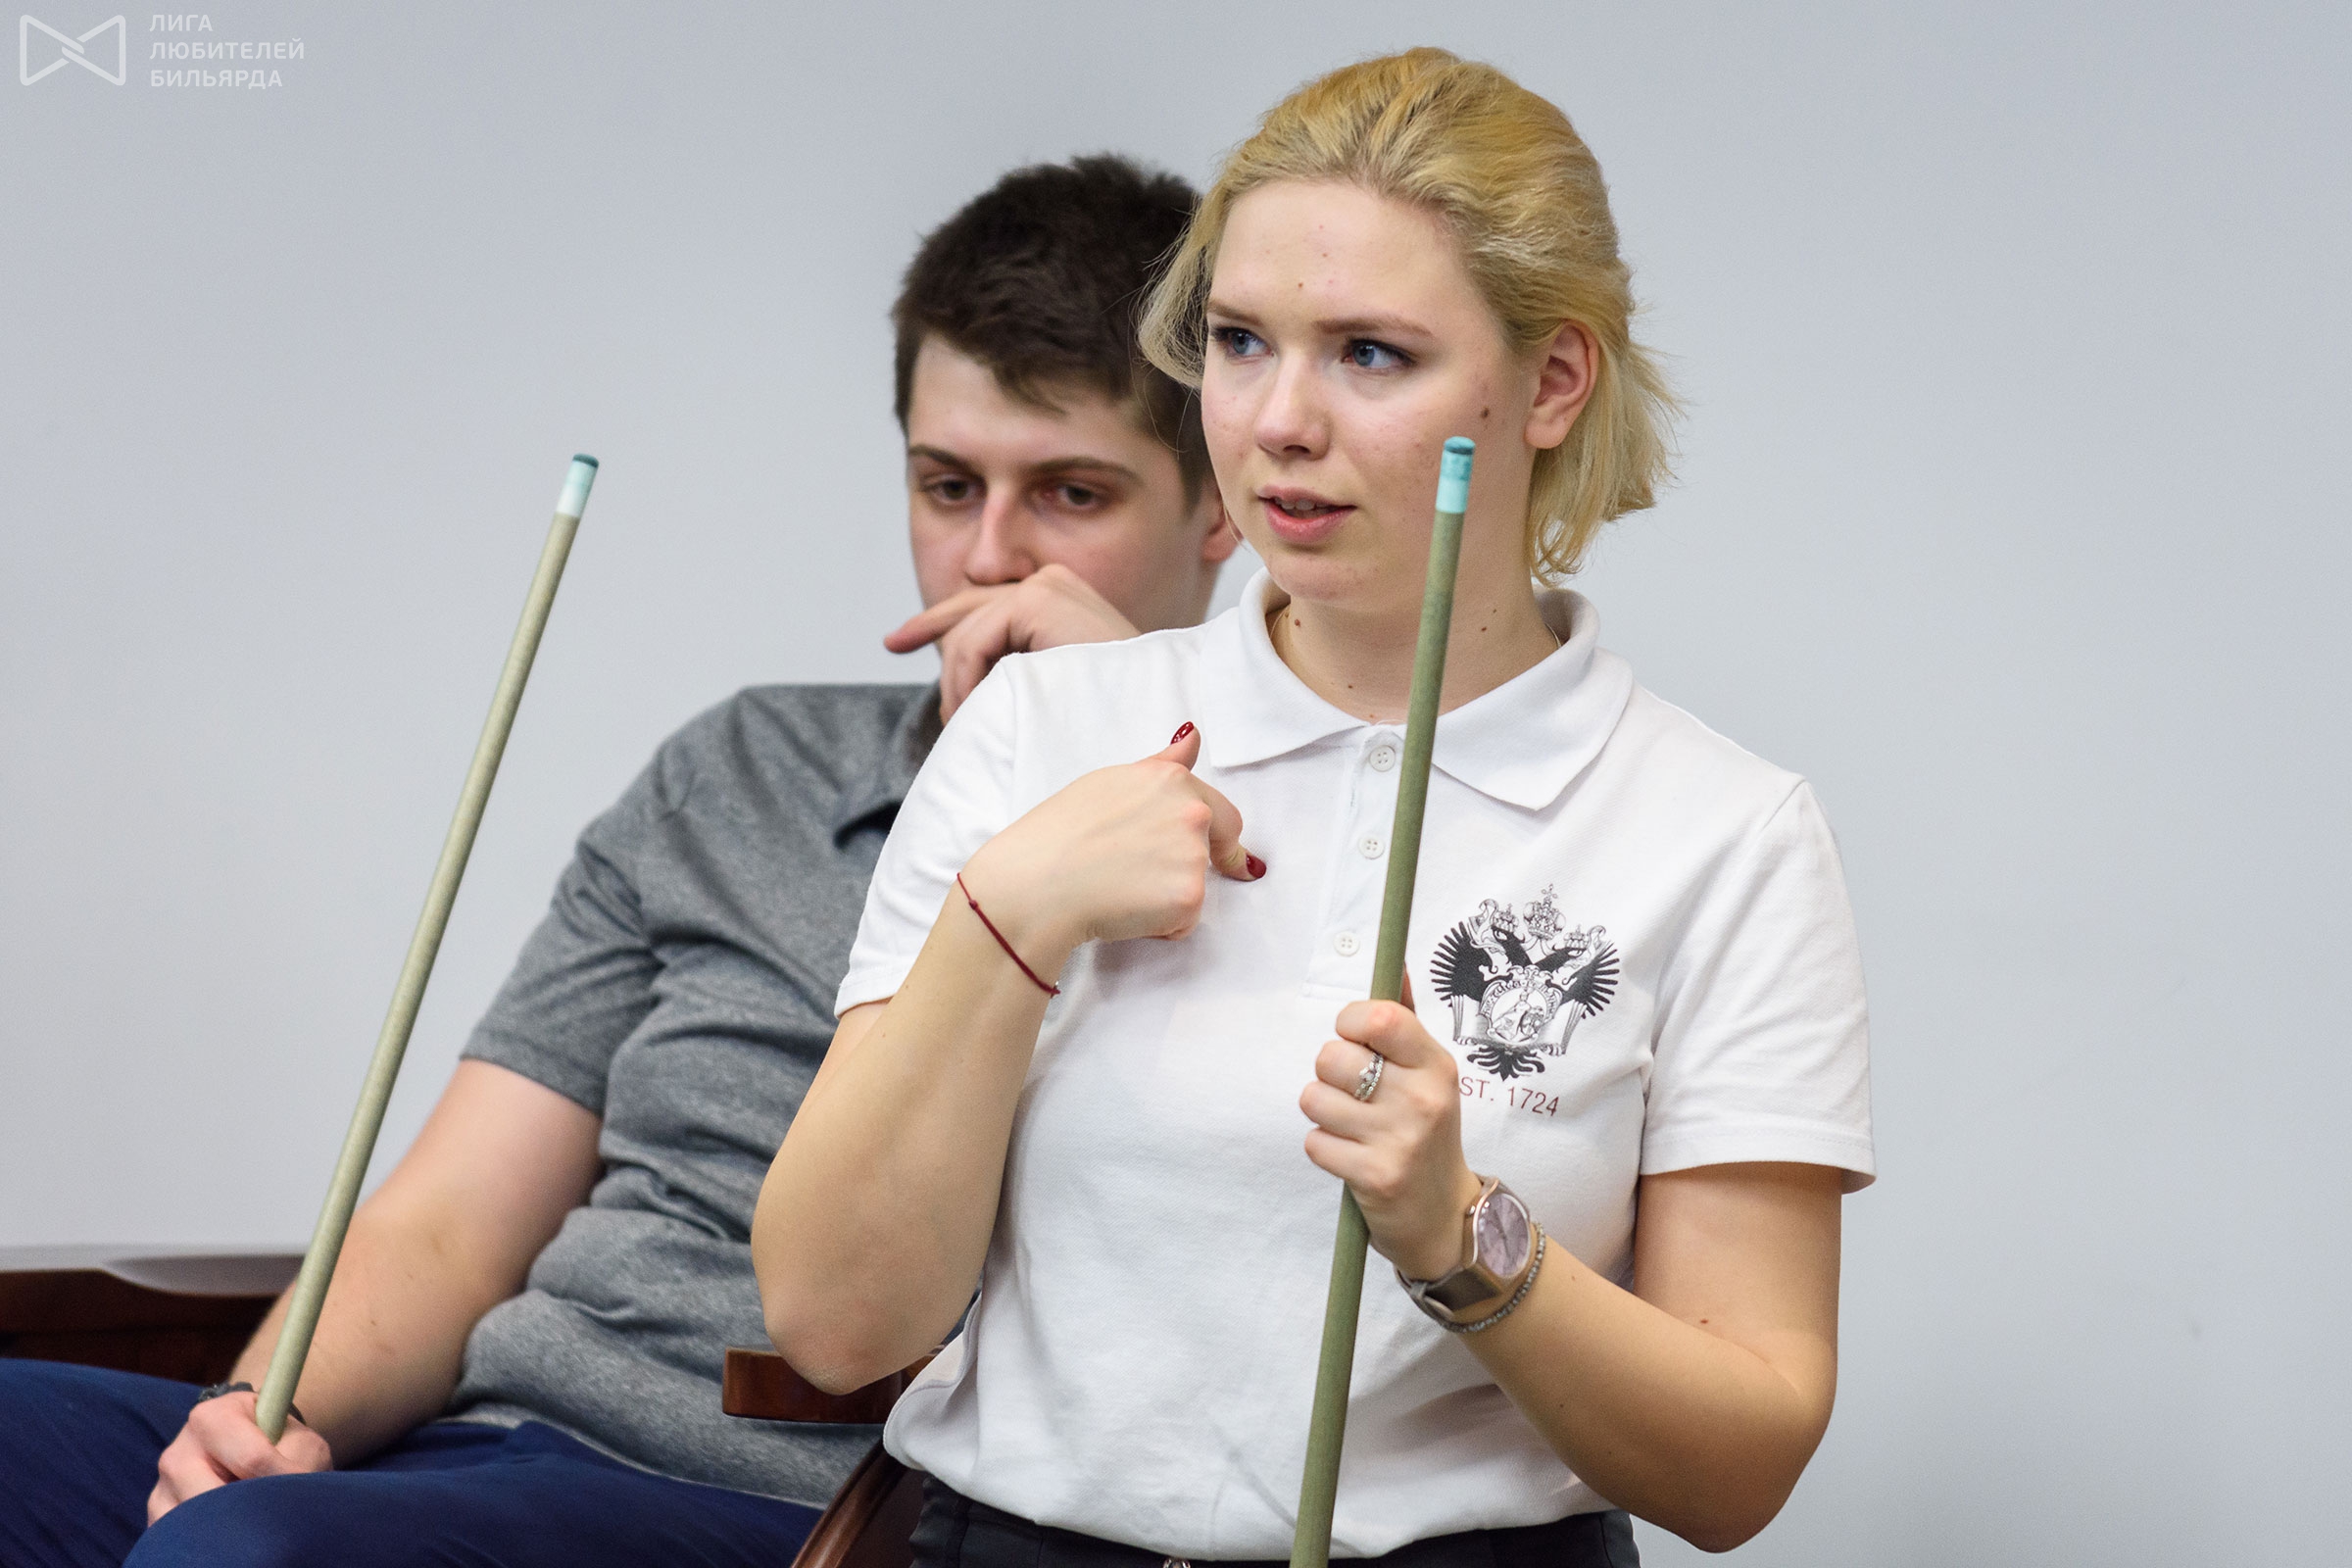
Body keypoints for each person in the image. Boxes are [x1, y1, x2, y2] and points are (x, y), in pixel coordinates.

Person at [0, 154, 1235, 1568]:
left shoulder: (1268, 860)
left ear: (1220, 507)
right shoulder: (742, 769)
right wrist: (258, 1426)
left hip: (779, 1510)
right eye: (948, 486)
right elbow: (448, 1229)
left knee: (258, 1556)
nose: (990, 556)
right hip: (460, 1456)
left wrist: (1121, 731)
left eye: (1072, 494)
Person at [755, 49, 1874, 1567]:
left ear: (1553, 384)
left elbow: (1735, 1471)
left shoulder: (1723, 834)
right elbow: (833, 1323)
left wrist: (1463, 1236)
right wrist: (1006, 919)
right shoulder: (1040, 731)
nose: (1279, 419)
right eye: (1238, 342)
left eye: (1370, 355)